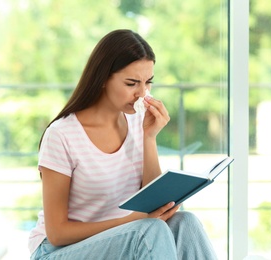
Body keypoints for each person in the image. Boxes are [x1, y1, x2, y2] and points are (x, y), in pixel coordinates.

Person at [28, 29, 218, 260]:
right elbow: (57, 233)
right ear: (103, 79)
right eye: (131, 83)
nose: (142, 94)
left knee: (185, 222)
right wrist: (130, 222)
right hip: (57, 251)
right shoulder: (61, 135)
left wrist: (149, 137)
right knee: (149, 231)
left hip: (123, 237)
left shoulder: (138, 121)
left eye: (148, 83)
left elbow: (152, 201)